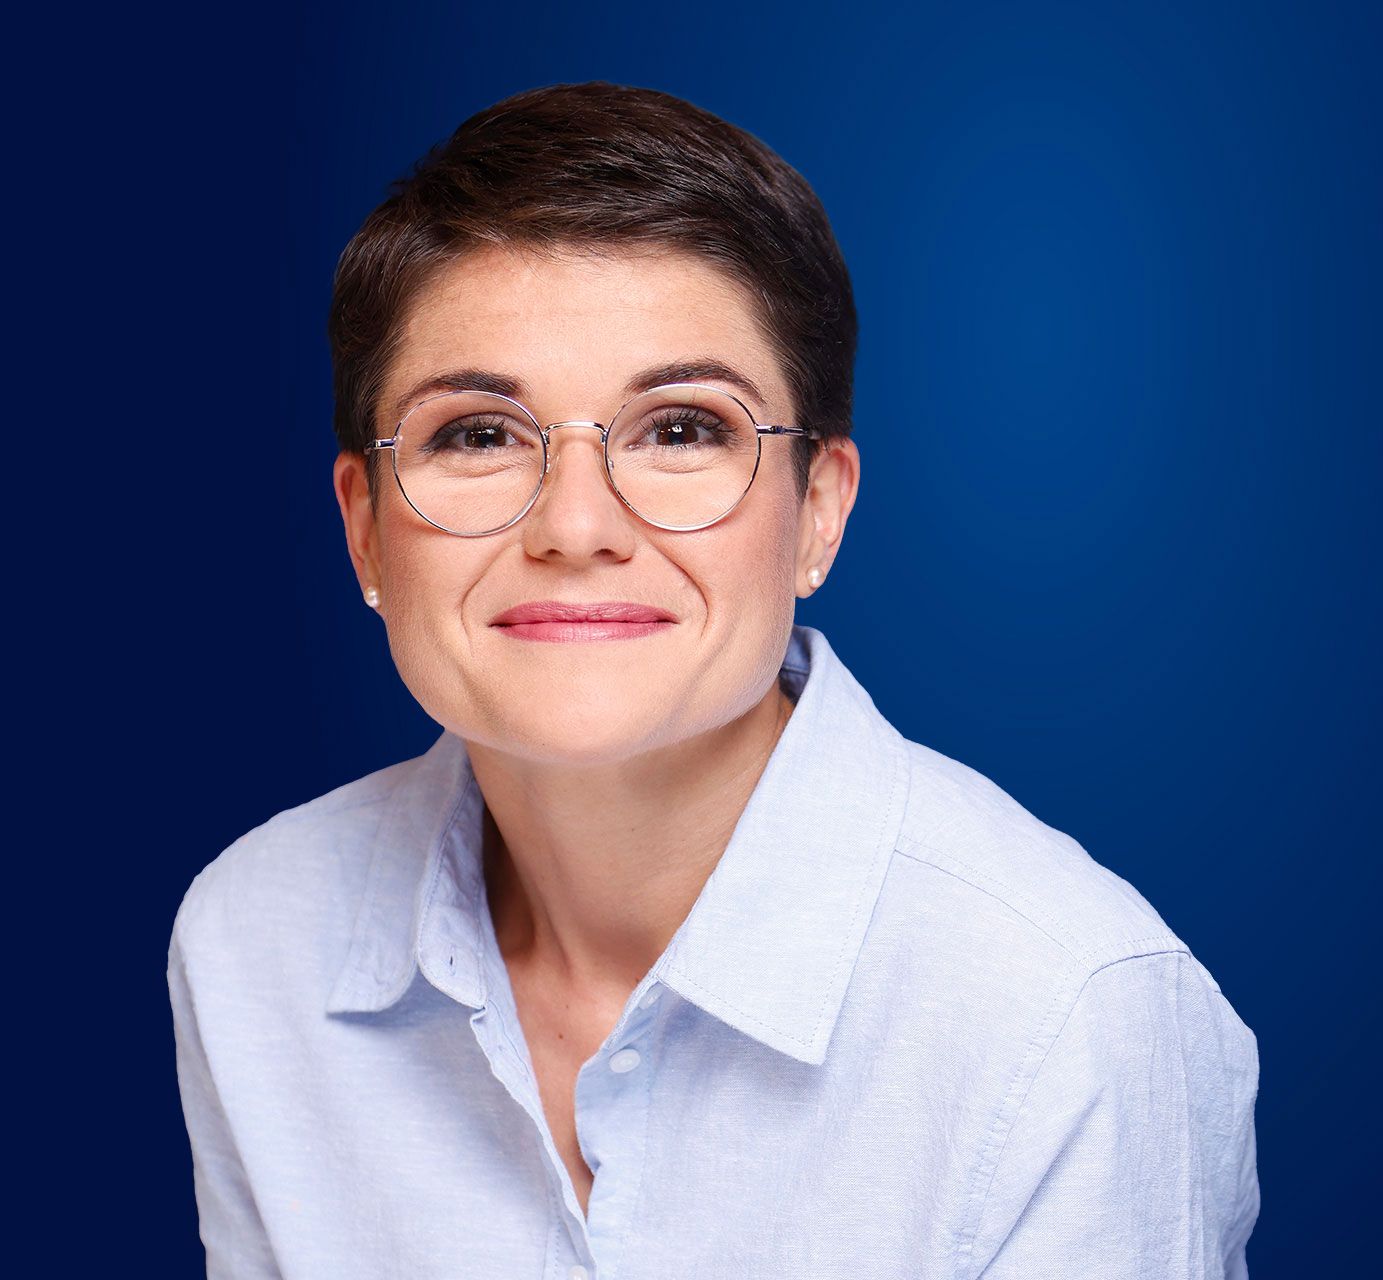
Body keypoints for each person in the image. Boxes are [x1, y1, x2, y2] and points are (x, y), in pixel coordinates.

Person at [168, 81, 1260, 1278]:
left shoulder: (1063, 1014)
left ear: (818, 511)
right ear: (365, 530)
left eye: (681, 428)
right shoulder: (254, 940)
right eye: (477, 433)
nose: (575, 526)